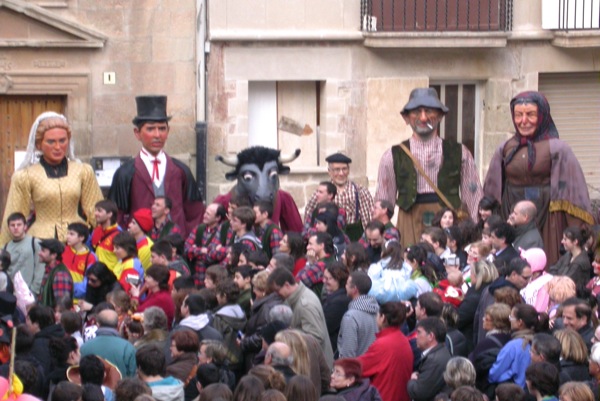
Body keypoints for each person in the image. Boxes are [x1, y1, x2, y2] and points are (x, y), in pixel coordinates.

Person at [484, 91, 594, 266]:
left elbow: (574, 192)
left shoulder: (558, 149)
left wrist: (579, 231)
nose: (524, 121)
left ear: (542, 116)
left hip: (549, 215)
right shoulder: (506, 148)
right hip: (511, 209)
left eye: (530, 115)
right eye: (518, 115)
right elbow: (492, 187)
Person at [375, 88, 483, 249]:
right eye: (417, 112)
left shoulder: (461, 153)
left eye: (429, 111)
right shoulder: (391, 156)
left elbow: (473, 197)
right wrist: (382, 236)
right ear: (406, 118)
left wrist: (475, 235)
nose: (423, 118)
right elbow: (383, 204)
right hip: (409, 219)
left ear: (440, 116)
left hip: (448, 221)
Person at [0, 112, 103, 246]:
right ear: (38, 144)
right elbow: (14, 216)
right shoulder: (25, 176)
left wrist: (108, 236)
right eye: (51, 141)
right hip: (41, 243)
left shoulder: (83, 171)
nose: (57, 147)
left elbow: (97, 210)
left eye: (62, 140)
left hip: (78, 241)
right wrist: (5, 252)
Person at [108, 95, 204, 237]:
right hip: (140, 248)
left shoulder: (181, 171)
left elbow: (195, 212)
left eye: (162, 129)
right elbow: (117, 216)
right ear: (137, 133)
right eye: (150, 129)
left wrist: (188, 241)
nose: (157, 135)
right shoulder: (125, 173)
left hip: (175, 248)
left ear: (168, 131)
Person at [267, 267, 334, 367]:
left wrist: (290, 337)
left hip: (314, 366)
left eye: (277, 290)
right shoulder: (297, 298)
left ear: (287, 285)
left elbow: (316, 337)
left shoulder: (305, 305)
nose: (277, 294)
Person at [304, 153, 374, 241]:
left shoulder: (361, 192)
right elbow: (308, 219)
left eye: (344, 169)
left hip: (355, 240)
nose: (341, 173)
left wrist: (365, 242)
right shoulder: (319, 194)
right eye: (337, 170)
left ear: (348, 170)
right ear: (329, 171)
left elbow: (369, 221)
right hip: (328, 240)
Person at [359, 302, 413, 401]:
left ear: (383, 317)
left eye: (377, 315)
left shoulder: (382, 344)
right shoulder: (403, 340)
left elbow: (360, 367)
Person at [488, 304, 549, 388]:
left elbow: (494, 374)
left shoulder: (513, 346)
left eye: (511, 318)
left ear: (520, 322)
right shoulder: (541, 342)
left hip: (513, 392)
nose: (509, 320)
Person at [469, 303, 512, 399]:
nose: (483, 319)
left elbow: (473, 367)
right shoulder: (511, 339)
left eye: (487, 319)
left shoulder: (486, 344)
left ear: (497, 323)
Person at [80, 309, 137, 377]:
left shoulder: (84, 347)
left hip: (92, 387)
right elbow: (132, 375)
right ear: (118, 324)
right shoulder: (128, 348)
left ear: (97, 324)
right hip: (121, 387)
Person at [407, 317, 452, 401]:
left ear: (431, 336)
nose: (416, 336)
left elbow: (419, 393)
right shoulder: (440, 352)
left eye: (419, 332)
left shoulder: (434, 361)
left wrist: (412, 380)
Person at [337, 271, 379, 359]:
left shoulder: (351, 317)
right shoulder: (378, 311)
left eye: (347, 284)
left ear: (355, 289)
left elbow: (348, 354)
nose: (345, 286)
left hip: (357, 369)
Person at [2, 212, 45, 295]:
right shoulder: (5, 247)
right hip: (11, 293)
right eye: (12, 225)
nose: (16, 228)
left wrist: (34, 290)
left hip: (29, 292)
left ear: (25, 226)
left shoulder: (35, 243)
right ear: (9, 228)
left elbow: (40, 269)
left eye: (19, 225)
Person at [131, 264, 175, 328]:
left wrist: (135, 296)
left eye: (148, 277)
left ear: (157, 281)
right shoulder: (155, 293)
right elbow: (143, 304)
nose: (145, 279)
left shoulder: (161, 298)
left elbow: (137, 313)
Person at [548, 226, 592, 291]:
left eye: (565, 239)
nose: (562, 241)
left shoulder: (580, 263)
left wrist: (556, 277)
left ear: (575, 242)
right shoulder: (568, 254)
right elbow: (553, 268)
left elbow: (566, 281)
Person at [321, 262, 351, 356]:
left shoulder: (339, 302)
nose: (323, 281)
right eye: (324, 277)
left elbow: (324, 327)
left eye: (327, 278)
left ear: (338, 279)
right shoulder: (336, 297)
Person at [38, 238, 73, 308]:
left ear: (54, 255)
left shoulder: (60, 275)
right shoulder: (50, 270)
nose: (39, 253)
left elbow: (62, 306)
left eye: (43, 251)